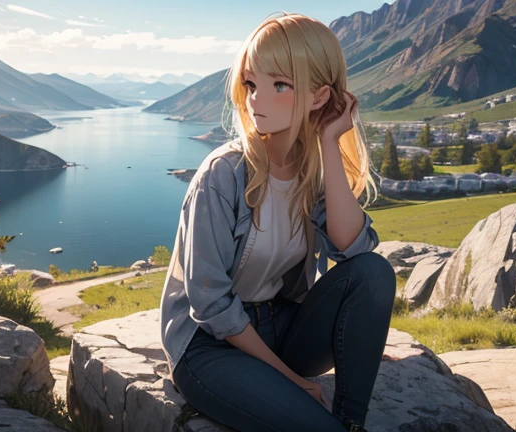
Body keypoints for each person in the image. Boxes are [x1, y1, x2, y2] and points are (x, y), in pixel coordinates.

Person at [159, 12, 395, 432]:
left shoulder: (312, 172)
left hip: (282, 328)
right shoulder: (222, 175)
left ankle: (352, 421)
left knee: (374, 274)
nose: (256, 100)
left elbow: (356, 252)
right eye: (251, 84)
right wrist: (291, 380)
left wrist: (329, 141)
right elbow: (210, 305)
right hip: (209, 346)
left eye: (279, 85)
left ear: (319, 97)